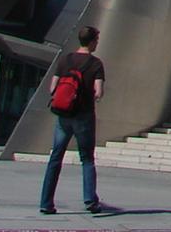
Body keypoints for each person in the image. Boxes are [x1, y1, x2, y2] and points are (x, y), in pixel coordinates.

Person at [38, 26, 107, 215]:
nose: (97, 43)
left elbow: (52, 87)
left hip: (64, 115)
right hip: (84, 115)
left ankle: (46, 202)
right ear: (91, 42)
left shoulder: (66, 59)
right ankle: (90, 200)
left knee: (56, 157)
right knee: (87, 158)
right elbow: (99, 92)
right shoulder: (96, 64)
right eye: (96, 40)